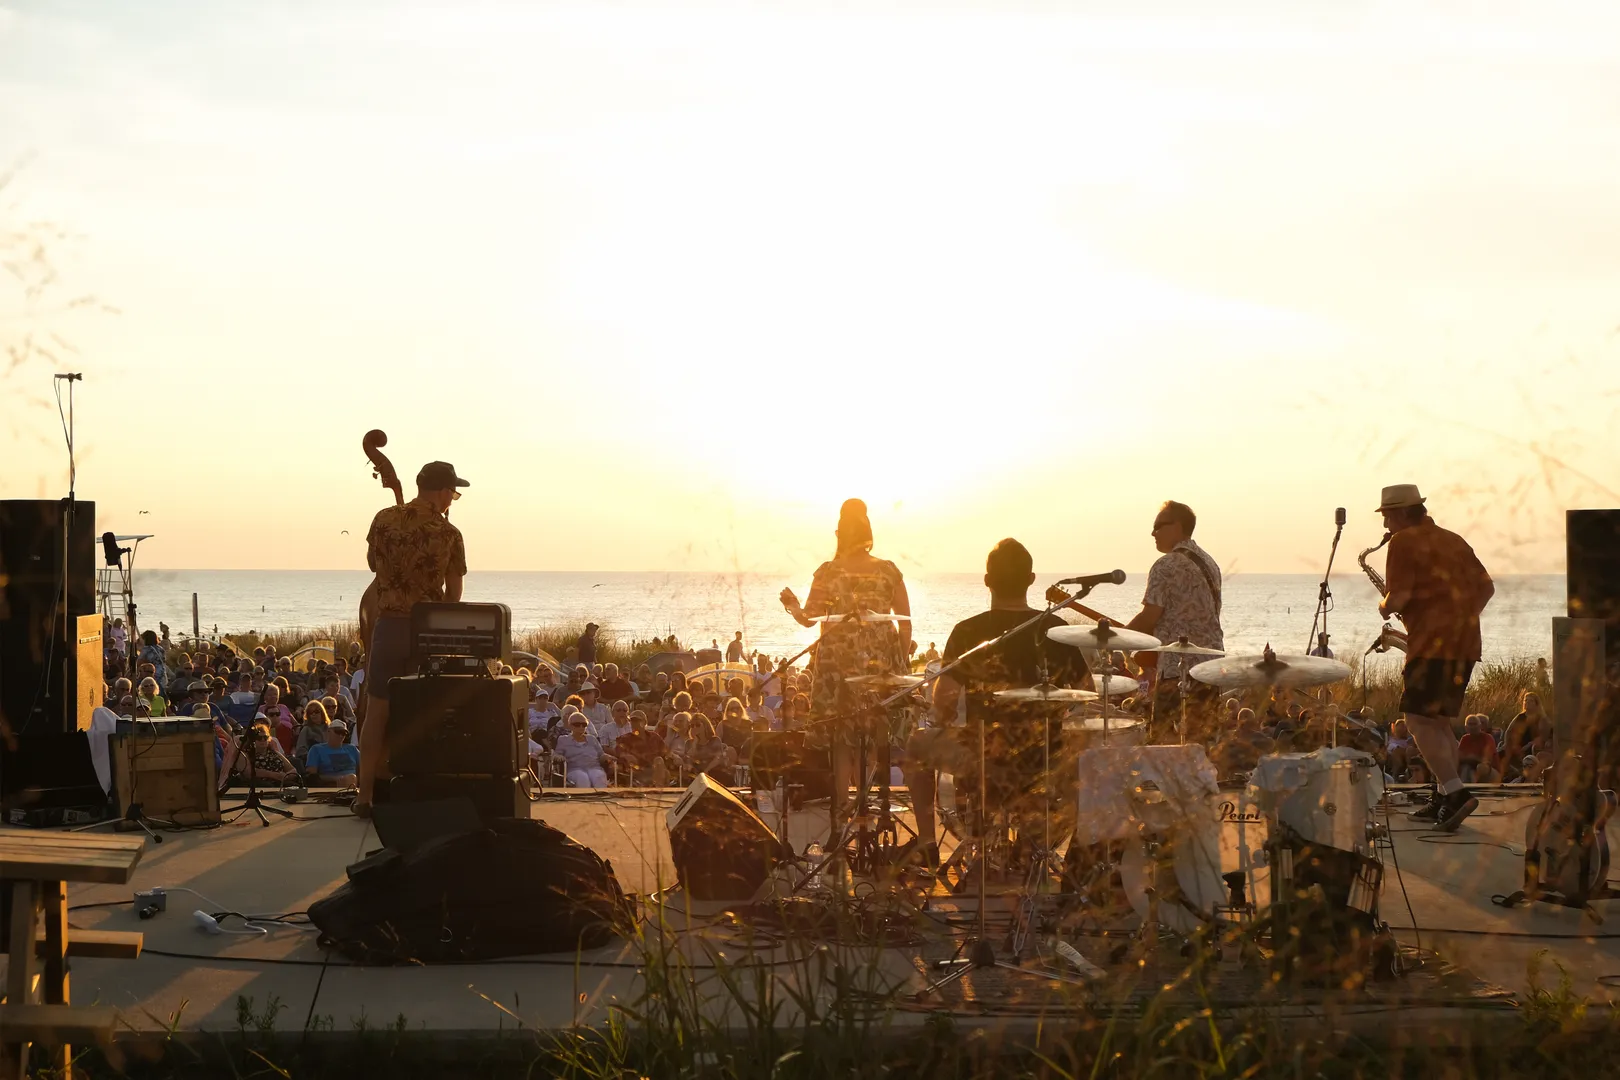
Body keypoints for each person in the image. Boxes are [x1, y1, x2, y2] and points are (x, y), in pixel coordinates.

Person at [903, 538, 1089, 869]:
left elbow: (943, 699)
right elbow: (1087, 694)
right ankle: (1071, 850)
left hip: (981, 757)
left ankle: (929, 845)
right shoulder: (1056, 630)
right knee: (1090, 759)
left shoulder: (967, 632)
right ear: (1031, 579)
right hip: (1044, 756)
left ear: (987, 580)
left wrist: (943, 716)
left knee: (917, 744)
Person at [780, 498, 911, 842]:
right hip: (880, 663)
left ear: (840, 533)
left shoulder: (828, 572)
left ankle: (842, 816)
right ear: (868, 531)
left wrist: (792, 606)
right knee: (872, 736)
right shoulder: (888, 570)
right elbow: (906, 620)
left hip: (838, 666)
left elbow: (809, 619)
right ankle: (870, 806)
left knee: (841, 740)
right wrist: (901, 660)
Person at [354, 460, 470, 817]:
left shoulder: (383, 519)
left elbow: (374, 564)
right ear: (442, 491)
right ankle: (422, 792)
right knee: (425, 712)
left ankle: (365, 795)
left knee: (377, 712)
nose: (454, 498)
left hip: (388, 625)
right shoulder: (449, 534)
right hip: (427, 629)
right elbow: (455, 594)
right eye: (454, 492)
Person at [1377, 484, 1494, 831]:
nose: (1385, 526)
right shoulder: (1453, 539)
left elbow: (1398, 598)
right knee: (1440, 721)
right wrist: (1462, 616)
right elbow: (1486, 587)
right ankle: (1444, 796)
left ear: (1398, 513)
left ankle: (1457, 792)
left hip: (1430, 646)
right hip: (1465, 643)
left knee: (1415, 720)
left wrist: (1384, 606)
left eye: (1386, 517)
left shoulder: (1403, 541)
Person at [1122, 501, 1224, 745]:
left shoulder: (1165, 565)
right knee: (1202, 744)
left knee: (1163, 745)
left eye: (1158, 526)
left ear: (1177, 526)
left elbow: (1150, 616)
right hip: (1211, 666)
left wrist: (1116, 638)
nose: (1153, 532)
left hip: (1177, 668)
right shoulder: (1210, 563)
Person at [607, 710, 669, 786]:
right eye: (632, 721)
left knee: (659, 761)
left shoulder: (654, 737)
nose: (634, 723)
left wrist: (675, 756)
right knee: (658, 764)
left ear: (645, 722)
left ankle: (658, 788)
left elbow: (665, 751)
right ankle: (658, 789)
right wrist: (626, 755)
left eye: (637, 721)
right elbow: (618, 751)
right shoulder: (625, 738)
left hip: (655, 767)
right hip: (637, 769)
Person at [1501, 690, 1550, 782]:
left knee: (1530, 750)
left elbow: (1543, 736)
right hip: (1518, 745)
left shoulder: (1541, 718)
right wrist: (1506, 743)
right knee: (1501, 752)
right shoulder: (1520, 716)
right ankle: (1510, 775)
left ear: (1536, 703)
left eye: (1530, 700)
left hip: (1532, 746)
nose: (1527, 702)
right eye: (1525, 700)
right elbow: (1508, 731)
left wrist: (1529, 744)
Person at [556, 714, 610, 787]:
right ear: (570, 726)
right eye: (577, 724)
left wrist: (607, 757)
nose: (581, 727)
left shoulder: (592, 739)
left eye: (584, 725)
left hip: (594, 767)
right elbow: (556, 755)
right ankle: (585, 798)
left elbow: (601, 755)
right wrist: (559, 756)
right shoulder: (563, 740)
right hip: (575, 769)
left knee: (599, 776)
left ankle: (601, 797)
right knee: (582, 778)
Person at [305, 720, 361, 787]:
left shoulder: (352, 749)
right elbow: (311, 776)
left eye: (344, 733)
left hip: (353, 782)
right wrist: (335, 779)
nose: (340, 735)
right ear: (328, 731)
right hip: (330, 785)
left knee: (351, 778)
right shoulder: (316, 749)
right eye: (337, 732)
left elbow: (363, 769)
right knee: (350, 778)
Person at [1457, 714, 1501, 784]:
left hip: (1490, 771)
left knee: (1481, 768)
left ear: (1479, 726)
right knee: (1464, 768)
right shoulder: (1465, 739)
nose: (1472, 727)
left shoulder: (1487, 738)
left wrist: (1472, 758)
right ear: (1466, 727)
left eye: (1475, 724)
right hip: (1470, 769)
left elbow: (1487, 760)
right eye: (1470, 724)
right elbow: (1459, 757)